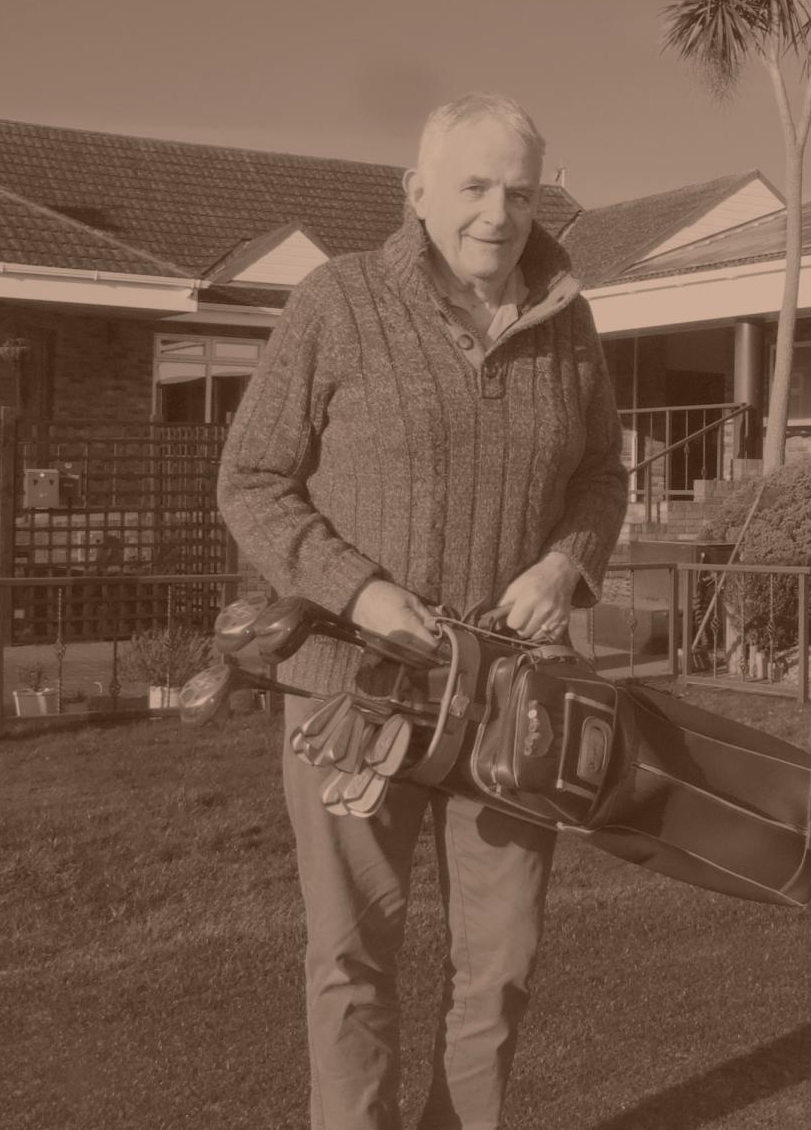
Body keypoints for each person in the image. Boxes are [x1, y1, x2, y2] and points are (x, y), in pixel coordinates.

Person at [217, 93, 628, 1130]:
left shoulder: (567, 318)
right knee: (352, 957)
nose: (498, 213)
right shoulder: (336, 300)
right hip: (353, 696)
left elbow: (600, 476)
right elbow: (252, 479)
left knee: (500, 965)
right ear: (416, 192)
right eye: (475, 186)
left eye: (520, 190)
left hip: (507, 707)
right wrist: (356, 587)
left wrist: (564, 564)